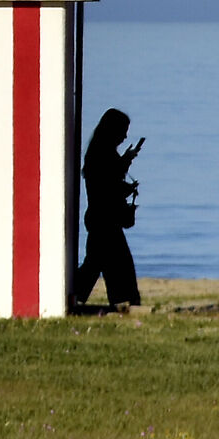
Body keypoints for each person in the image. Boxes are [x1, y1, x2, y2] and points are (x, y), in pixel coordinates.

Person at [74, 107, 143, 312]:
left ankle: (76, 296)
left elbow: (107, 179)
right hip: (105, 219)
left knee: (95, 265)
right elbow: (108, 185)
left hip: (99, 218)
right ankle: (126, 303)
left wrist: (125, 161)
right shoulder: (102, 154)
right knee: (119, 265)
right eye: (123, 131)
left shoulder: (98, 151)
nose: (124, 136)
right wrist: (125, 181)